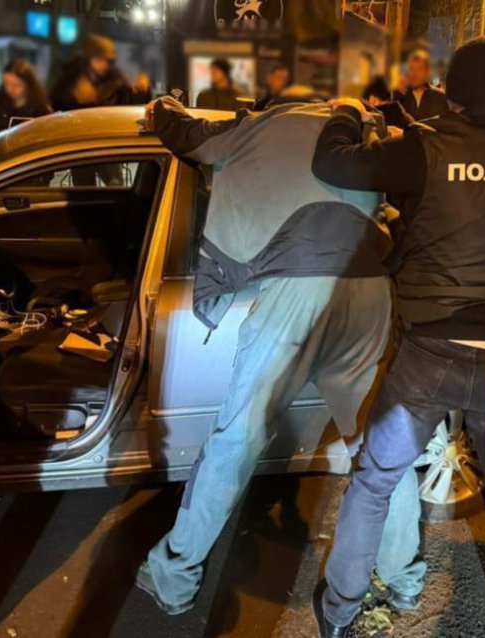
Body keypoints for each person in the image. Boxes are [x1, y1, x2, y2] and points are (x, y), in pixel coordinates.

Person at [135, 94, 426, 617]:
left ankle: (175, 579)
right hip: (370, 288)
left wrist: (162, 108)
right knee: (379, 445)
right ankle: (403, 577)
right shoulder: (360, 128)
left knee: (236, 441)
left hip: (296, 294)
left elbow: (188, 137)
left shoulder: (255, 127)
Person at [312, 38, 485, 638]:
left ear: (452, 90)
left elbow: (334, 163)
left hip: (434, 352)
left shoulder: (426, 148)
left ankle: (338, 613)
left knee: (375, 481)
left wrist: (347, 111)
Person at [0, 59, 51, 140]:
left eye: (16, 85)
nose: (10, 89)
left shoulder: (40, 109)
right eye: (7, 83)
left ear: (28, 85)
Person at [392, 48, 449, 121]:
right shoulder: (399, 96)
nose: (414, 74)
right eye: (411, 69)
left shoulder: (439, 97)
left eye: (419, 69)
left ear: (427, 72)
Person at [84, 34, 134, 106]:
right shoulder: (74, 80)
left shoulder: (117, 80)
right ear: (89, 59)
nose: (104, 65)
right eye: (99, 59)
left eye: (108, 61)